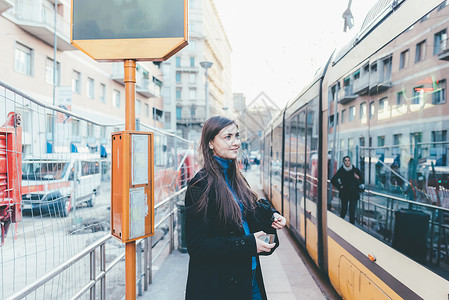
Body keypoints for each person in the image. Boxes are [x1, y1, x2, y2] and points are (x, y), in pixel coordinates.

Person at [184, 116, 286, 300]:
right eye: (228, 137)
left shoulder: (237, 180)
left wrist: (272, 218)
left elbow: (252, 213)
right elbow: (197, 245)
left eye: (237, 136)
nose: (236, 142)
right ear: (211, 143)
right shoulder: (199, 185)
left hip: (249, 280)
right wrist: (247, 244)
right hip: (219, 288)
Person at [331, 156, 364, 224]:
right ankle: (342, 224)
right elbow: (333, 180)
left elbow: (362, 181)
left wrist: (357, 177)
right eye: (345, 160)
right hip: (344, 193)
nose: (347, 162)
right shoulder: (341, 170)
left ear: (350, 161)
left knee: (352, 210)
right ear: (343, 162)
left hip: (354, 193)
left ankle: (352, 226)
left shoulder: (355, 170)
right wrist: (340, 186)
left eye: (348, 160)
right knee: (344, 210)